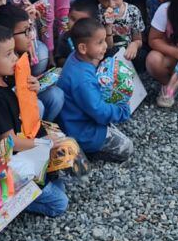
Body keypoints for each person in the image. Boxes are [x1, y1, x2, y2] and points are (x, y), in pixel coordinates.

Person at [0, 24, 68, 217]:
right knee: (59, 204)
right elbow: (10, 142)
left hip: (22, 152)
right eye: (8, 54)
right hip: (7, 163)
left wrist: (34, 87)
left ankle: (33, 186)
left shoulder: (3, 78)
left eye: (14, 51)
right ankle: (9, 203)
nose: (15, 57)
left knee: (60, 181)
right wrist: (44, 143)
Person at [56, 18, 134, 162]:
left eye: (104, 40)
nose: (105, 46)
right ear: (83, 48)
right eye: (99, 43)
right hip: (81, 130)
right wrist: (122, 111)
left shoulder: (76, 58)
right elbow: (99, 111)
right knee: (128, 148)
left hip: (75, 118)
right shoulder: (82, 79)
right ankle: (89, 151)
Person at [0, 4, 63, 122]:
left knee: (56, 95)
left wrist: (35, 84)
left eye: (30, 29)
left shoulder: (24, 52)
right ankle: (31, 136)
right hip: (7, 111)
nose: (30, 36)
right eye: (25, 31)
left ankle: (43, 127)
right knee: (37, 106)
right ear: (8, 36)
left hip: (23, 98)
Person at [93, 0, 145, 65]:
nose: (111, 4)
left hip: (128, 51)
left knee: (142, 56)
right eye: (105, 0)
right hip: (108, 51)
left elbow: (138, 40)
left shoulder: (133, 11)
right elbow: (107, 47)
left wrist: (134, 44)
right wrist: (108, 25)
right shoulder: (98, 13)